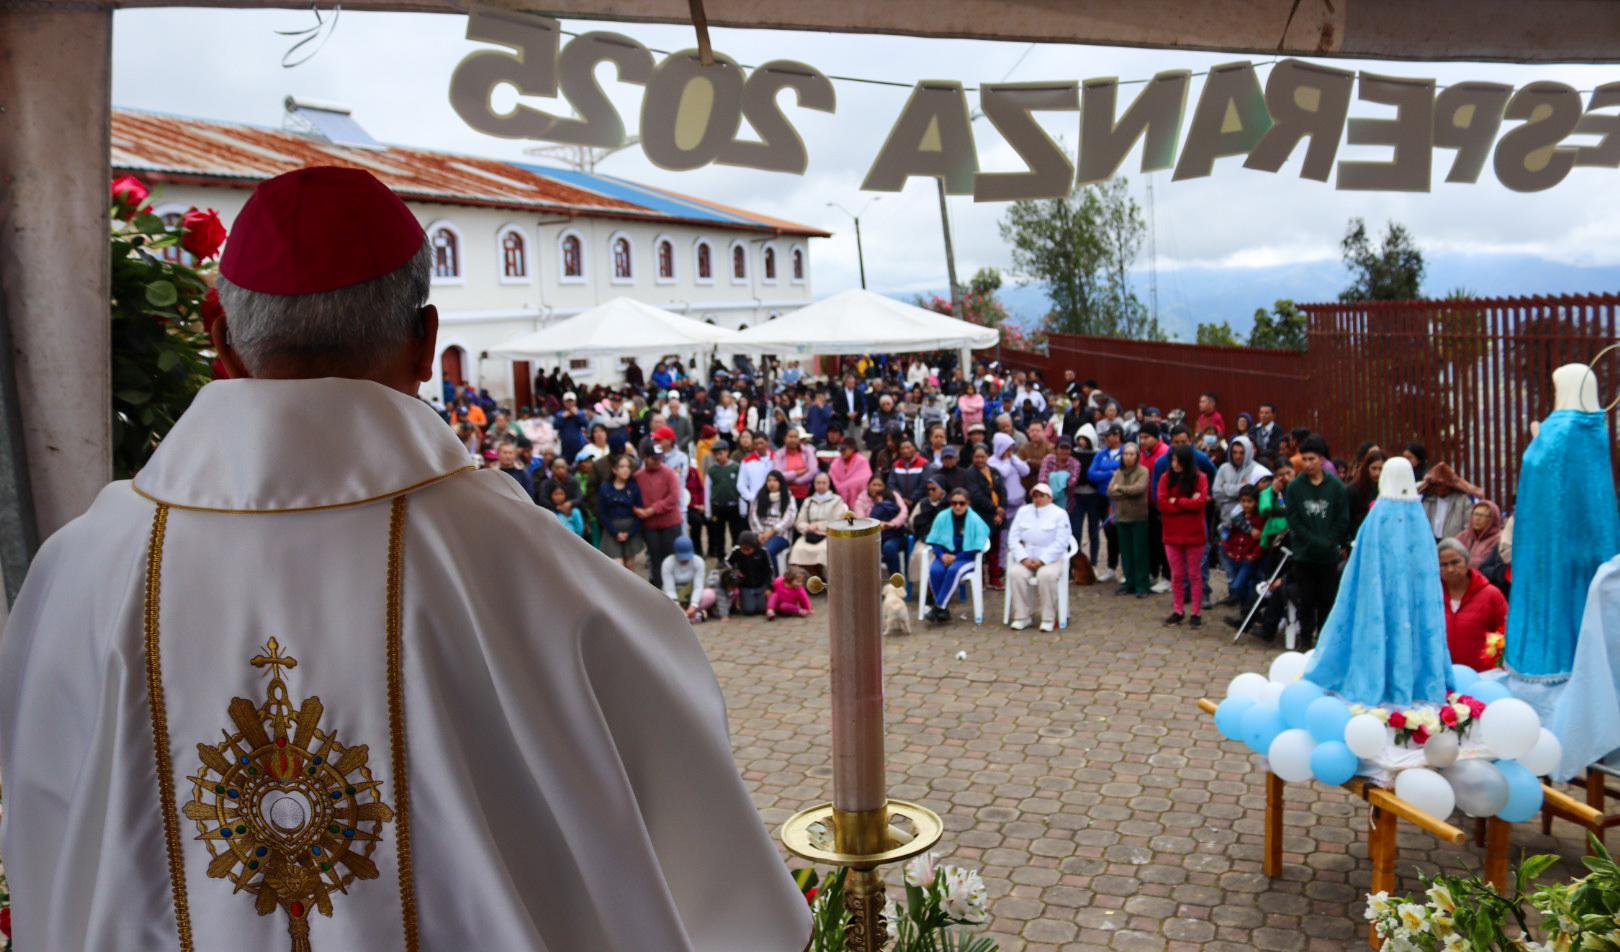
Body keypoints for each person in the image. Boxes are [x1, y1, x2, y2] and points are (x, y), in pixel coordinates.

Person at [0, 166, 808, 952]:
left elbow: (46, 835)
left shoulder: (83, 571)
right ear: (427, 341)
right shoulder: (532, 568)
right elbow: (697, 842)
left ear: (220, 340)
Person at [1284, 435, 1351, 649]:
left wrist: (1331, 541)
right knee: (1306, 600)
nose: (1308, 464)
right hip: (1304, 554)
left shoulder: (1336, 487)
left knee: (1326, 600)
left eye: (1312, 459)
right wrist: (1313, 540)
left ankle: (1324, 641)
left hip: (1328, 556)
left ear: (1322, 460)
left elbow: (1342, 518)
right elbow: (1294, 519)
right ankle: (1305, 641)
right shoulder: (1295, 487)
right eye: (1304, 459)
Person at [1006, 482, 1071, 632]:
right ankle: (1022, 616)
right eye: (1035, 496)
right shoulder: (1023, 511)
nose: (1038, 499)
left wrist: (1043, 560)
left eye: (1042, 496)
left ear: (1050, 497)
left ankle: (1048, 617)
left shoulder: (1059, 514)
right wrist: (1023, 559)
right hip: (1027, 558)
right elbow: (1013, 538)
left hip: (1051, 559)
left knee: (1046, 576)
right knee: (1015, 574)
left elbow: (1062, 542)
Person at [1158, 444, 1210, 628]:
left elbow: (1199, 503)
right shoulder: (1165, 478)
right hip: (1172, 533)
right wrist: (1186, 503)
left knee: (1195, 574)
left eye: (1178, 460)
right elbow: (1163, 504)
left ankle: (1196, 612)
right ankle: (1178, 609)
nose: (1175, 464)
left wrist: (1177, 501)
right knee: (1177, 574)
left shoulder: (1200, 478)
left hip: (1194, 534)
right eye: (1172, 460)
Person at [1439, 536, 1509, 671]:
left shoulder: (1491, 595)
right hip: (1443, 677)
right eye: (1444, 565)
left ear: (1467, 562)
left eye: (1455, 562)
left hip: (1482, 677)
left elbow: (1507, 633)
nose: (1450, 569)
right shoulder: (1433, 597)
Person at [924, 489, 991, 623]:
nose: (958, 506)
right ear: (950, 503)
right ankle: (943, 610)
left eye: (962, 503)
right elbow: (934, 541)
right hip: (944, 555)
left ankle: (938, 607)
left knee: (954, 570)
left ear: (968, 503)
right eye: (954, 503)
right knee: (935, 570)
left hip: (966, 557)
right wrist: (942, 555)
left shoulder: (975, 520)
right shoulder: (942, 517)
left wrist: (956, 558)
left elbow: (977, 547)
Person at [1108, 442, 1153, 597]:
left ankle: (1142, 584)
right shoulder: (1119, 473)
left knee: (1139, 552)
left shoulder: (1143, 471)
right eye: (1126, 454)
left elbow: (1139, 489)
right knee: (1126, 552)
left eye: (1131, 454)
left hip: (1139, 517)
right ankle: (1129, 581)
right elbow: (1110, 492)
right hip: (1122, 517)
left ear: (1137, 456)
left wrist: (1120, 489)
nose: (1128, 457)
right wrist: (1127, 491)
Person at [635, 449, 683, 588]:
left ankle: (672, 589)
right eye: (654, 458)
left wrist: (653, 509)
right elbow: (632, 496)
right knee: (655, 558)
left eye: (659, 458)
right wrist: (637, 510)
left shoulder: (669, 473)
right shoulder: (638, 476)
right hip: (650, 526)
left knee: (670, 557)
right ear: (645, 457)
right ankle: (657, 589)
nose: (657, 461)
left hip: (670, 523)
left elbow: (674, 497)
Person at [964, 442, 1009, 588]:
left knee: (995, 549)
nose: (979, 460)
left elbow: (1003, 490)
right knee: (981, 550)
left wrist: (1001, 509)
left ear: (987, 457)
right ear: (972, 458)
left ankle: (995, 578)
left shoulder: (994, 471)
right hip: (981, 516)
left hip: (997, 516)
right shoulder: (970, 473)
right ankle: (981, 579)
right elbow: (975, 495)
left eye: (982, 456)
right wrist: (995, 509)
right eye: (977, 457)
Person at [1220, 485, 1266, 619]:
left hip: (1248, 559)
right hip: (1236, 557)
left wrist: (1254, 555)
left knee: (1239, 586)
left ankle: (1248, 612)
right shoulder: (1238, 518)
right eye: (1243, 501)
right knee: (1241, 586)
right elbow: (1232, 534)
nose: (1246, 504)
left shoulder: (1260, 519)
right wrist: (1229, 549)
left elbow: (1263, 540)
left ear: (1256, 502)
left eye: (1249, 501)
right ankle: (1249, 612)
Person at [789, 472, 845, 579]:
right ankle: (816, 577)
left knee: (822, 551)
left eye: (824, 483)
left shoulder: (837, 500)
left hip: (829, 534)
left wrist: (818, 526)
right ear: (814, 484)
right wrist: (807, 527)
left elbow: (837, 521)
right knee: (797, 549)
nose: (821, 485)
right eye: (818, 483)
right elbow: (800, 521)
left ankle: (821, 578)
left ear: (829, 484)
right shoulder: (808, 501)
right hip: (810, 534)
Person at [854, 474, 911, 578]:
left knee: (889, 547)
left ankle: (896, 580)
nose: (876, 487)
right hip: (872, 536)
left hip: (895, 534)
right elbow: (860, 520)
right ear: (868, 485)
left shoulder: (893, 495)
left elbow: (904, 512)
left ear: (884, 486)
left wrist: (892, 523)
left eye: (879, 485)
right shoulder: (861, 499)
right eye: (874, 484)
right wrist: (876, 524)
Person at [598, 454, 646, 570]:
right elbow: (602, 513)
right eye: (622, 466)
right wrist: (616, 533)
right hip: (611, 530)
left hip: (630, 530)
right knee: (617, 567)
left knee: (629, 566)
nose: (625, 470)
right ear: (614, 470)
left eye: (628, 467)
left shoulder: (634, 487)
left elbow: (640, 513)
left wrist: (630, 533)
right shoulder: (605, 487)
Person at [1418, 462, 1483, 541]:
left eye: (1440, 484)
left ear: (1449, 484)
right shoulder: (1427, 500)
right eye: (1434, 484)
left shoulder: (1464, 500)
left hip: (1454, 544)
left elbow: (1468, 527)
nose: (1437, 488)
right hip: (1430, 542)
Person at [663, 534, 718, 622]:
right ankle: (693, 616)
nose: (684, 560)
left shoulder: (699, 562)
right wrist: (678, 607)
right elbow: (669, 589)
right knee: (660, 598)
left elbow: (698, 586)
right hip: (674, 599)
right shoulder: (667, 563)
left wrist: (693, 605)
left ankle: (688, 615)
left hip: (691, 596)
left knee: (711, 594)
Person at [704, 440, 744, 559]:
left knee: (735, 533)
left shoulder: (736, 468)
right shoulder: (712, 470)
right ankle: (720, 557)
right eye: (715, 454)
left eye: (720, 453)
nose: (718, 457)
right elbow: (708, 490)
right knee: (718, 534)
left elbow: (741, 487)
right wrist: (708, 511)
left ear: (727, 452)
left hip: (733, 506)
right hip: (718, 506)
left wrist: (742, 508)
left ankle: (735, 557)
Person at [749, 470, 797, 565]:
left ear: (780, 482)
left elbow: (789, 518)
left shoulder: (788, 497)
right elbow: (753, 515)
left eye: (775, 480)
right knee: (747, 547)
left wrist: (771, 532)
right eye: (769, 480)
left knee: (768, 550)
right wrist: (762, 533)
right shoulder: (760, 496)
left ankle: (773, 578)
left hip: (780, 534)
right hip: (760, 533)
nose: (772, 483)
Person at [726, 531, 775, 616]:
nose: (745, 552)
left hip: (761, 585)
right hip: (745, 586)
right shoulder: (736, 551)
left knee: (762, 609)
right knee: (749, 610)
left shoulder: (763, 552)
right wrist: (735, 570)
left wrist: (769, 587)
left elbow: (770, 570)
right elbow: (726, 562)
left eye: (748, 549)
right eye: (743, 549)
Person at [1345, 448, 1385, 539]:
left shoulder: (1389, 490)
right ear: (1366, 468)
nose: (1377, 473)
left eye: (1381, 469)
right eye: (1374, 468)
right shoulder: (1353, 489)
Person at [1455, 498, 1503, 570]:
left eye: (1483, 516)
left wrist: (1458, 562)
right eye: (1476, 514)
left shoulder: (1497, 539)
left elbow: (1483, 563)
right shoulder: (1462, 536)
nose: (1477, 518)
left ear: (1493, 519)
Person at [830, 439, 874, 507]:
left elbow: (865, 478)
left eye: (844, 449)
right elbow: (831, 477)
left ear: (852, 448)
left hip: (858, 502)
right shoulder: (836, 462)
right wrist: (840, 487)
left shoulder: (862, 461)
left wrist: (844, 486)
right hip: (838, 501)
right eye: (840, 449)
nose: (842, 451)